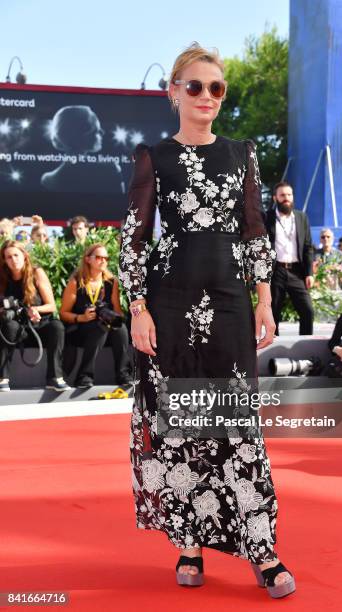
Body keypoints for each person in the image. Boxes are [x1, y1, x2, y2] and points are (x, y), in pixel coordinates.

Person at [118, 42, 295, 600]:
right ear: (174, 93)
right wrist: (139, 310)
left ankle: (261, 549)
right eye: (194, 86)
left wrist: (265, 299)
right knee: (184, 426)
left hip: (229, 303)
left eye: (216, 88)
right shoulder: (154, 157)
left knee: (238, 427)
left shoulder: (242, 153)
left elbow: (253, 231)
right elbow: (134, 240)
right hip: (169, 304)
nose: (207, 97)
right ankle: (189, 543)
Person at [60, 243, 132, 389]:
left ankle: (124, 374)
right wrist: (81, 317)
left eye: (106, 258)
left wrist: (110, 315)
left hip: (103, 327)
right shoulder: (76, 282)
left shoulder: (111, 282)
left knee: (121, 328)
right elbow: (63, 313)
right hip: (80, 328)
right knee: (100, 328)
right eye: (99, 257)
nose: (103, 261)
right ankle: (84, 376)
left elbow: (117, 311)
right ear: (88, 259)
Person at [0, 240, 70, 392]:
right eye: (9, 257)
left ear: (24, 256)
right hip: (17, 329)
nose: (13, 260)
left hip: (39, 325)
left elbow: (51, 305)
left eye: (16, 255)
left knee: (56, 326)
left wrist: (35, 309)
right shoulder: (3, 278)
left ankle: (55, 378)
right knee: (9, 326)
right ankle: (2, 378)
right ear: (4, 260)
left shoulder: (37, 273)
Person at [264, 181, 314, 335]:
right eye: (282, 195)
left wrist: (309, 273)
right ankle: (271, 349)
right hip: (276, 270)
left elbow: (308, 247)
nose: (286, 198)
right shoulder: (267, 217)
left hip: (296, 272)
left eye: (289, 195)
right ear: (275, 198)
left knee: (308, 311)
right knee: (274, 313)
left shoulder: (301, 217)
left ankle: (306, 350)